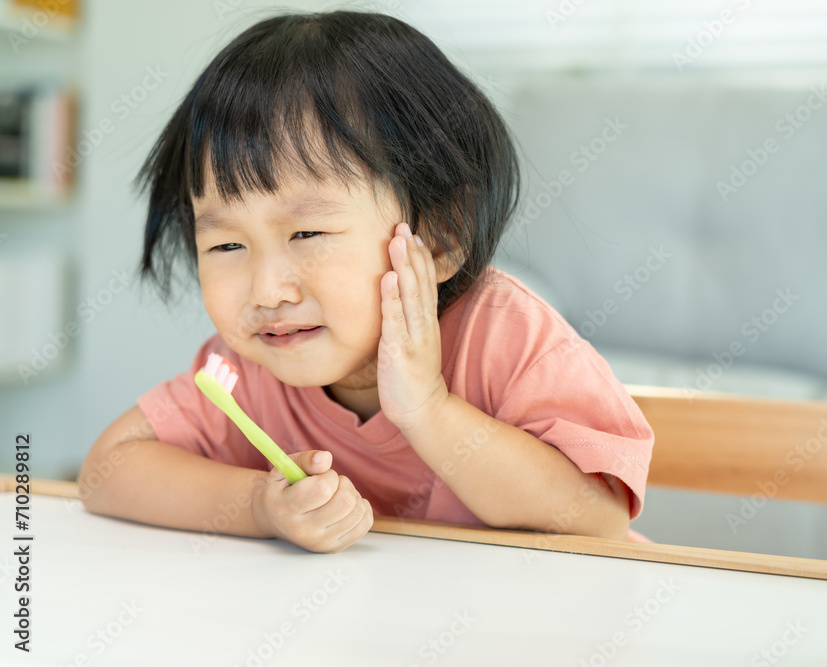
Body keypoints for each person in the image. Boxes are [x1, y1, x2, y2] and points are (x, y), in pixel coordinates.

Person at [80, 10, 654, 553]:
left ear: (443, 235)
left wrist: (427, 408)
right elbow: (108, 469)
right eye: (227, 244)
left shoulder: (507, 338)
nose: (266, 291)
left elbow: (598, 518)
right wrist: (260, 505)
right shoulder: (248, 373)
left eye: (307, 234)